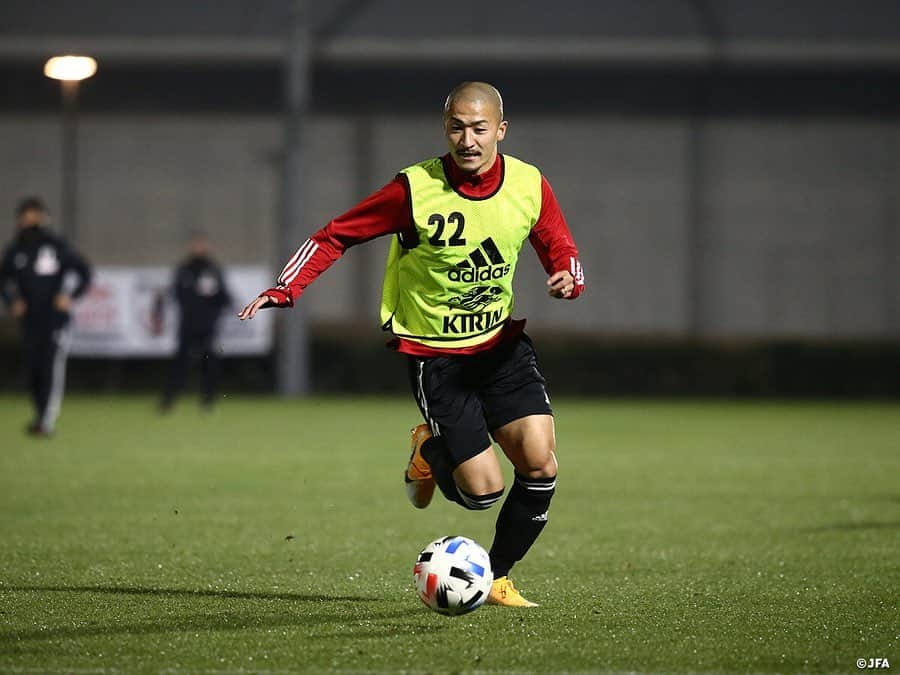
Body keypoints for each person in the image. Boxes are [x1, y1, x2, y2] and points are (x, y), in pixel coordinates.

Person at [239, 82, 585, 607]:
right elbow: (337, 233)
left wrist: (566, 275)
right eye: (456, 127)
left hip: (500, 348)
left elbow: (559, 244)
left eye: (479, 128)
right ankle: (427, 449)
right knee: (481, 493)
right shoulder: (414, 190)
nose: (467, 140)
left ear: (501, 130)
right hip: (437, 357)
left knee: (540, 465)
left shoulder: (529, 184)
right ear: (445, 128)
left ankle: (495, 577)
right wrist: (286, 288)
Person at [0, 197, 92, 436]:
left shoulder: (56, 244)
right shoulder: (16, 249)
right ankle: (39, 415)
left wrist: (69, 296)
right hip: (30, 320)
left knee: (50, 366)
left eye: (35, 214)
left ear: (43, 216)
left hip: (55, 320)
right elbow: (3, 279)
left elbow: (84, 271)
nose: (30, 219)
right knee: (33, 369)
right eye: (26, 214)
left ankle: (45, 420)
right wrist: (12, 301)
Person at [159, 232, 232, 412]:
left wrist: (213, 314)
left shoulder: (213, 269)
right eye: (195, 244)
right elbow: (176, 294)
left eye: (201, 244)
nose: (198, 248)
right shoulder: (184, 269)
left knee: (209, 363)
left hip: (207, 326)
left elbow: (224, 298)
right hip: (187, 325)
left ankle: (208, 402)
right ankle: (169, 400)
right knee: (180, 363)